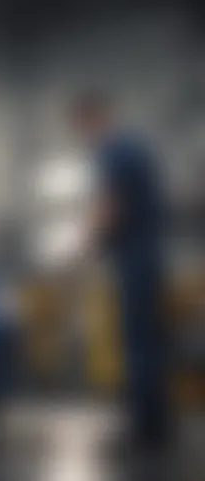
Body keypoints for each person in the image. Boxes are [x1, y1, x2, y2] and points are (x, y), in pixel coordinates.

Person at [71, 92, 171, 452]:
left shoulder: (112, 150)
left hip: (134, 259)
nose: (84, 138)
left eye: (82, 128)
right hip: (149, 254)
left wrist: (86, 247)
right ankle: (157, 424)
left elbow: (110, 206)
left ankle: (143, 429)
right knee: (150, 341)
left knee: (137, 343)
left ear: (92, 119)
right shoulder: (136, 147)